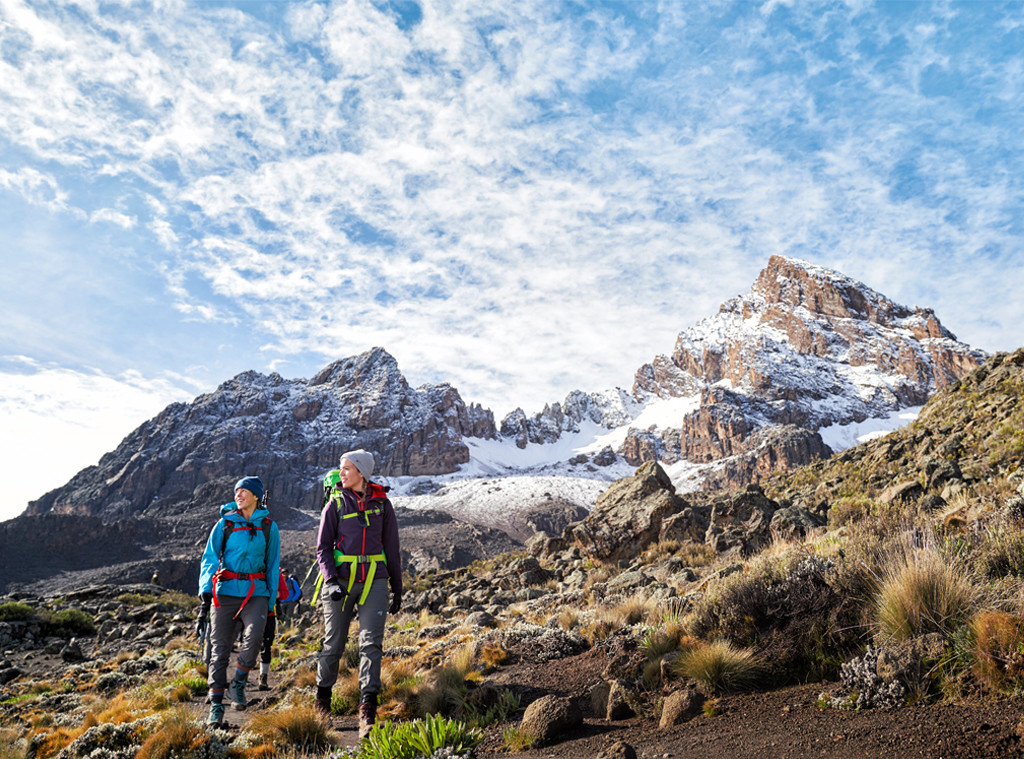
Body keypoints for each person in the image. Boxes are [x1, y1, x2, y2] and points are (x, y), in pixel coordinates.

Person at [314, 450, 402, 739]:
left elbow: (392, 549)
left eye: (347, 469)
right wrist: (331, 582)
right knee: (334, 645)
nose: (341, 474)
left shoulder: (382, 505)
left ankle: (367, 711)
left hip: (374, 581)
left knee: (371, 645)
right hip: (340, 581)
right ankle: (322, 704)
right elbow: (323, 549)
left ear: (361, 472)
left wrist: (397, 587)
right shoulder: (335, 505)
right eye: (340, 469)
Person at [196, 476, 281, 727]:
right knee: (219, 650)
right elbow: (209, 558)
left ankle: (239, 684)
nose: (239, 495)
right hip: (225, 592)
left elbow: (273, 565)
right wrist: (205, 592)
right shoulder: (224, 524)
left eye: (244, 491)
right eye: (237, 491)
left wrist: (271, 602)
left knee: (254, 639)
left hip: (256, 592)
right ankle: (216, 706)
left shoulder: (268, 526)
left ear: (256, 496)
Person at [258, 568, 290, 690]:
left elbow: (285, 593)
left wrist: (275, 594)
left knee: (266, 645)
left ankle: (263, 677)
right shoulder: (247, 566)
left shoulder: (275, 571)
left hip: (269, 614)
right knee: (251, 644)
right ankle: (241, 677)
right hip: (249, 614)